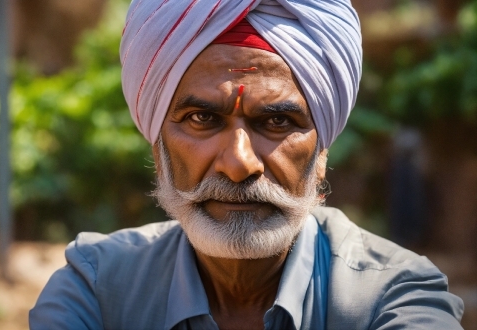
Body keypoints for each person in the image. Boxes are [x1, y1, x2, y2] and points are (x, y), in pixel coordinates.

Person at [29, 0, 464, 329]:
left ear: (321, 154)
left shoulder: (393, 297)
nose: (240, 164)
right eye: (202, 119)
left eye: (276, 121)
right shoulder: (96, 289)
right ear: (158, 150)